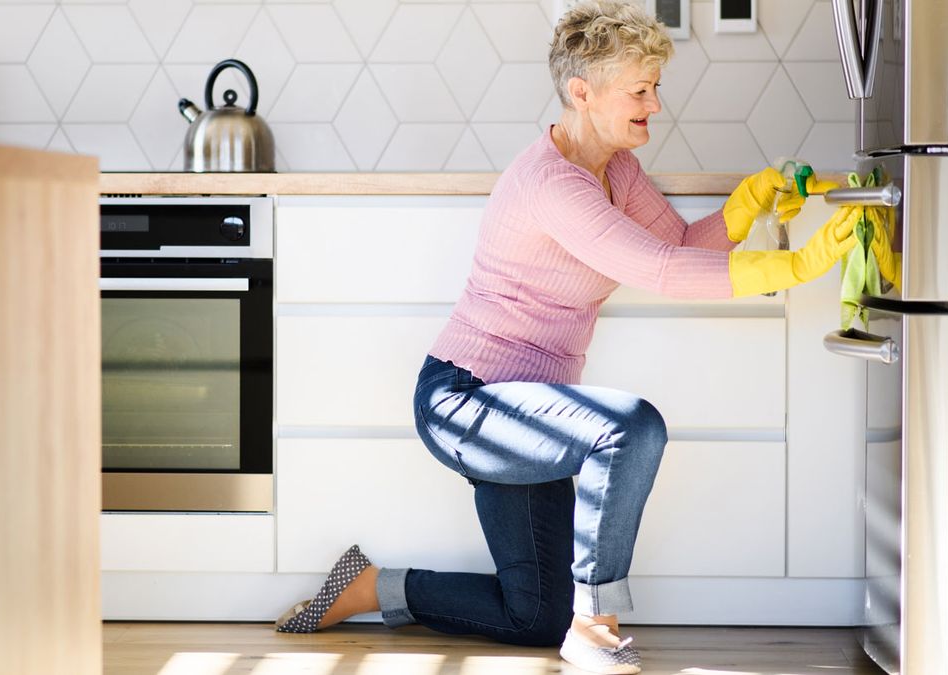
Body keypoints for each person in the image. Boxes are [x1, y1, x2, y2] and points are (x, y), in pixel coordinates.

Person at [274, 2, 861, 673]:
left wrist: (748, 201)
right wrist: (799, 265)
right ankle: (596, 624)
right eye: (639, 90)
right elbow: (664, 270)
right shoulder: (551, 183)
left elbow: (673, 244)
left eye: (655, 88)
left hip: (531, 408)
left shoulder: (617, 170)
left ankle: (371, 586)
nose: (655, 105)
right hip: (468, 399)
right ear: (582, 92)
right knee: (631, 427)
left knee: (533, 616)